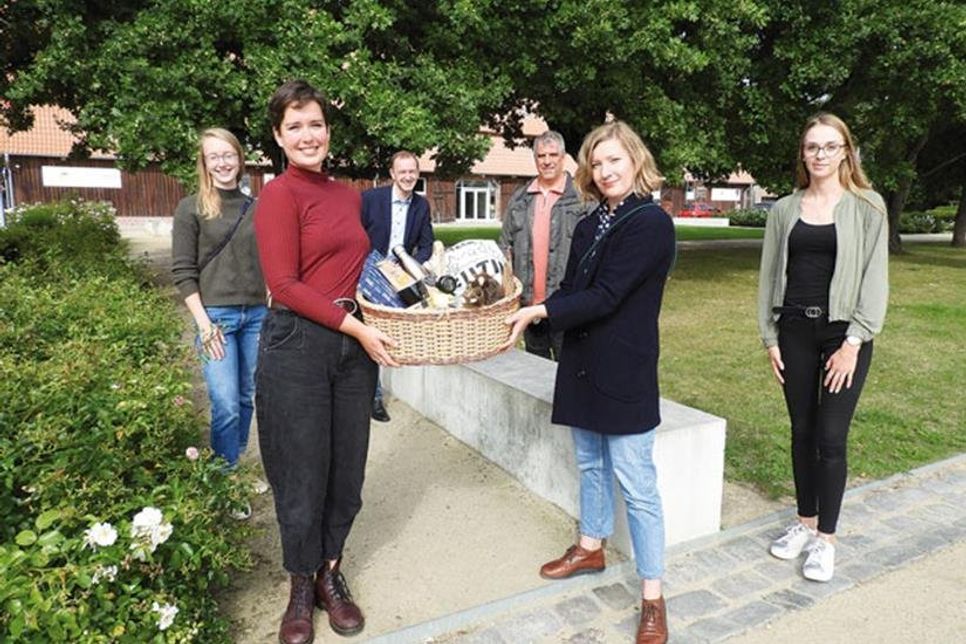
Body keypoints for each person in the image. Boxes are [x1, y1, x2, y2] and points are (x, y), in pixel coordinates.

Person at [504, 121, 675, 644]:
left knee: (636, 482)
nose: (604, 172)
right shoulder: (589, 221)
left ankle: (652, 596)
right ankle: (591, 545)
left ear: (636, 160)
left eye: (614, 161)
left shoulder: (650, 224)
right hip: (581, 360)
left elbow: (605, 295)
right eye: (597, 164)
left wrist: (540, 311)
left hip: (623, 367)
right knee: (589, 463)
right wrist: (529, 298)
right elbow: (574, 286)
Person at [254, 79, 398, 644]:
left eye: (315, 123)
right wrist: (355, 326)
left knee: (347, 472)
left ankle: (329, 574)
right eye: (295, 126)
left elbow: (359, 269)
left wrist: (388, 316)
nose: (308, 134)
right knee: (301, 473)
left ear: (327, 131)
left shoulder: (347, 196)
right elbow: (284, 284)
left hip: (350, 347)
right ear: (279, 137)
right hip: (297, 344)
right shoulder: (279, 196)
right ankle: (297, 588)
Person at [757, 112, 888, 583]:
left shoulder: (868, 206)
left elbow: (875, 281)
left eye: (830, 146)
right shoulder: (784, 209)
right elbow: (770, 273)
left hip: (842, 335)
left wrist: (854, 341)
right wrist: (770, 336)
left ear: (846, 152)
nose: (820, 155)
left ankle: (825, 540)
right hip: (794, 330)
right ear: (803, 153)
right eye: (812, 147)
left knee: (830, 438)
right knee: (801, 431)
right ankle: (804, 522)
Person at [171, 128, 266, 482]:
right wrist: (204, 323)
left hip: (257, 316)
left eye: (229, 155)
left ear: (240, 159)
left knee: (246, 398)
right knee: (225, 403)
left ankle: (234, 468)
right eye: (215, 157)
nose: (223, 163)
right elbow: (182, 270)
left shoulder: (256, 207)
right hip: (217, 320)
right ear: (205, 163)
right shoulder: (190, 209)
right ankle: (224, 481)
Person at [498, 130, 588, 360]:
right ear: (535, 158)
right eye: (541, 156)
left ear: (563, 156)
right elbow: (503, 248)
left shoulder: (583, 199)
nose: (547, 161)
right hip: (529, 307)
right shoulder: (519, 199)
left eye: (552, 155)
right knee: (535, 374)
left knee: (568, 372)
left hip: (567, 305)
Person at [361, 150, 434, 422]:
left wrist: (412, 266)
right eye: (401, 172)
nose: (407, 177)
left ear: (418, 173)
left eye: (412, 172)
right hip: (368, 273)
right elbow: (355, 235)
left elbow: (427, 243)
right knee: (368, 334)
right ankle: (374, 398)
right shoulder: (370, 199)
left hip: (401, 277)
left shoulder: (421, 205)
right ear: (392, 174)